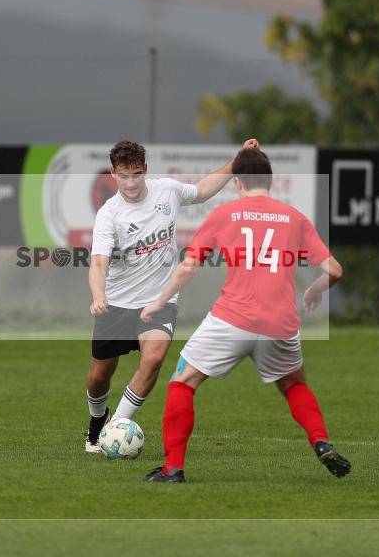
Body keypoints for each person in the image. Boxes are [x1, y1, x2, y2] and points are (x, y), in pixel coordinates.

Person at [139, 145, 350, 482]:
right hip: (280, 323)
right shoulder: (295, 218)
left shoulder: (224, 215)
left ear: (237, 182)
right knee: (294, 385)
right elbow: (335, 270)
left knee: (182, 382)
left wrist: (159, 301)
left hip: (231, 319)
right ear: (270, 181)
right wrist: (312, 291)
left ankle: (173, 469)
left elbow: (189, 267)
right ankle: (321, 442)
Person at [84, 138, 256, 453]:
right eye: (124, 176)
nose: (131, 182)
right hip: (116, 305)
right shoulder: (109, 215)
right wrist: (98, 294)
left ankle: (114, 430)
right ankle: (97, 420)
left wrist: (237, 162)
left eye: (136, 174)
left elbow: (202, 190)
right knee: (98, 378)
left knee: (154, 359)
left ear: (145, 170)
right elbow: (98, 263)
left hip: (158, 303)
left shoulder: (168, 191)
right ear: (113, 174)